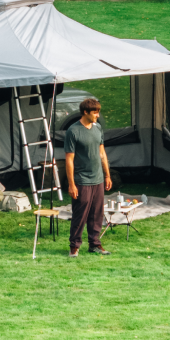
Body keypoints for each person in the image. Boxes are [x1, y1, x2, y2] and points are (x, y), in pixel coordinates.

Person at [64, 98, 112, 257]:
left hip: (98, 179)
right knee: (80, 214)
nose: (98, 115)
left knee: (96, 214)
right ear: (85, 112)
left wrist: (107, 175)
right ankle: (74, 246)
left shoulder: (98, 128)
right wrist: (71, 184)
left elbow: (102, 153)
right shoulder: (73, 131)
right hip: (82, 180)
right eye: (95, 112)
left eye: (98, 112)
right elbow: (69, 159)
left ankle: (95, 244)